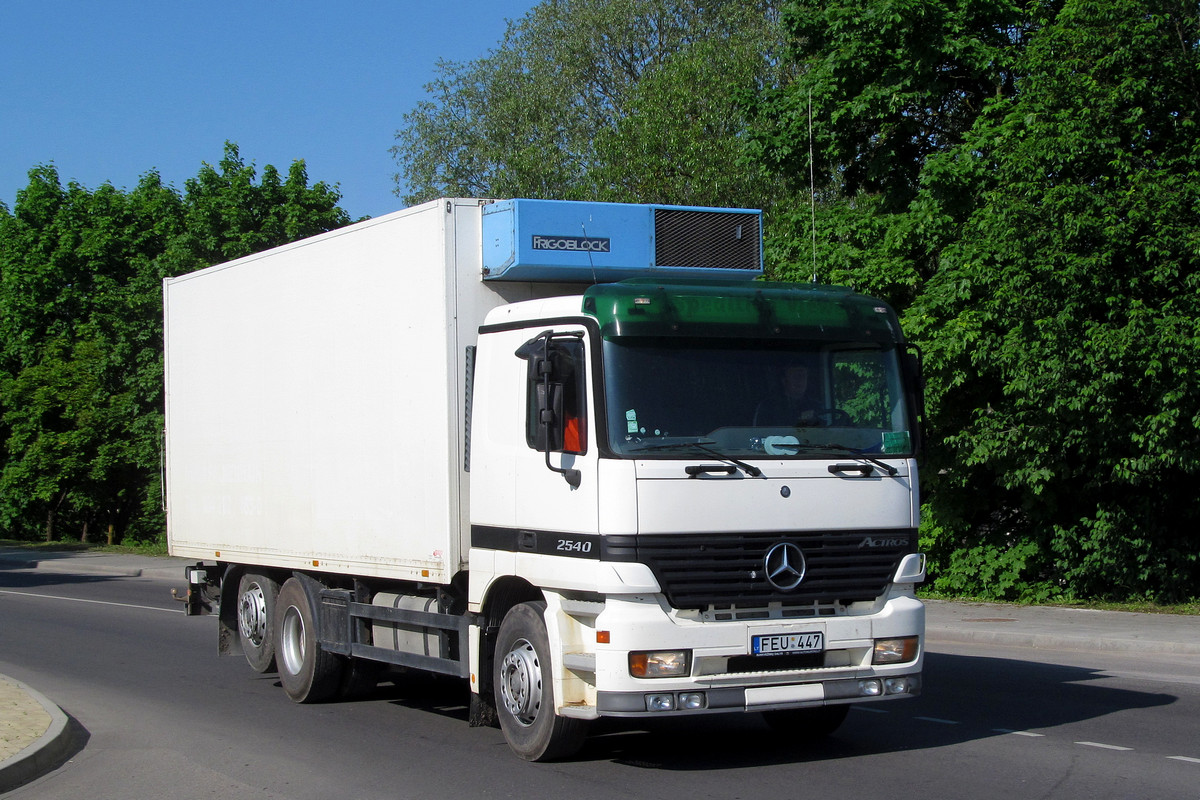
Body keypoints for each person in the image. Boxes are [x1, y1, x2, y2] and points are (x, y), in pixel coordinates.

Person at [754, 363, 820, 426]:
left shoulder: (816, 406)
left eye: (803, 376)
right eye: (795, 376)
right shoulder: (768, 407)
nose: (800, 380)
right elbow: (759, 434)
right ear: (784, 380)